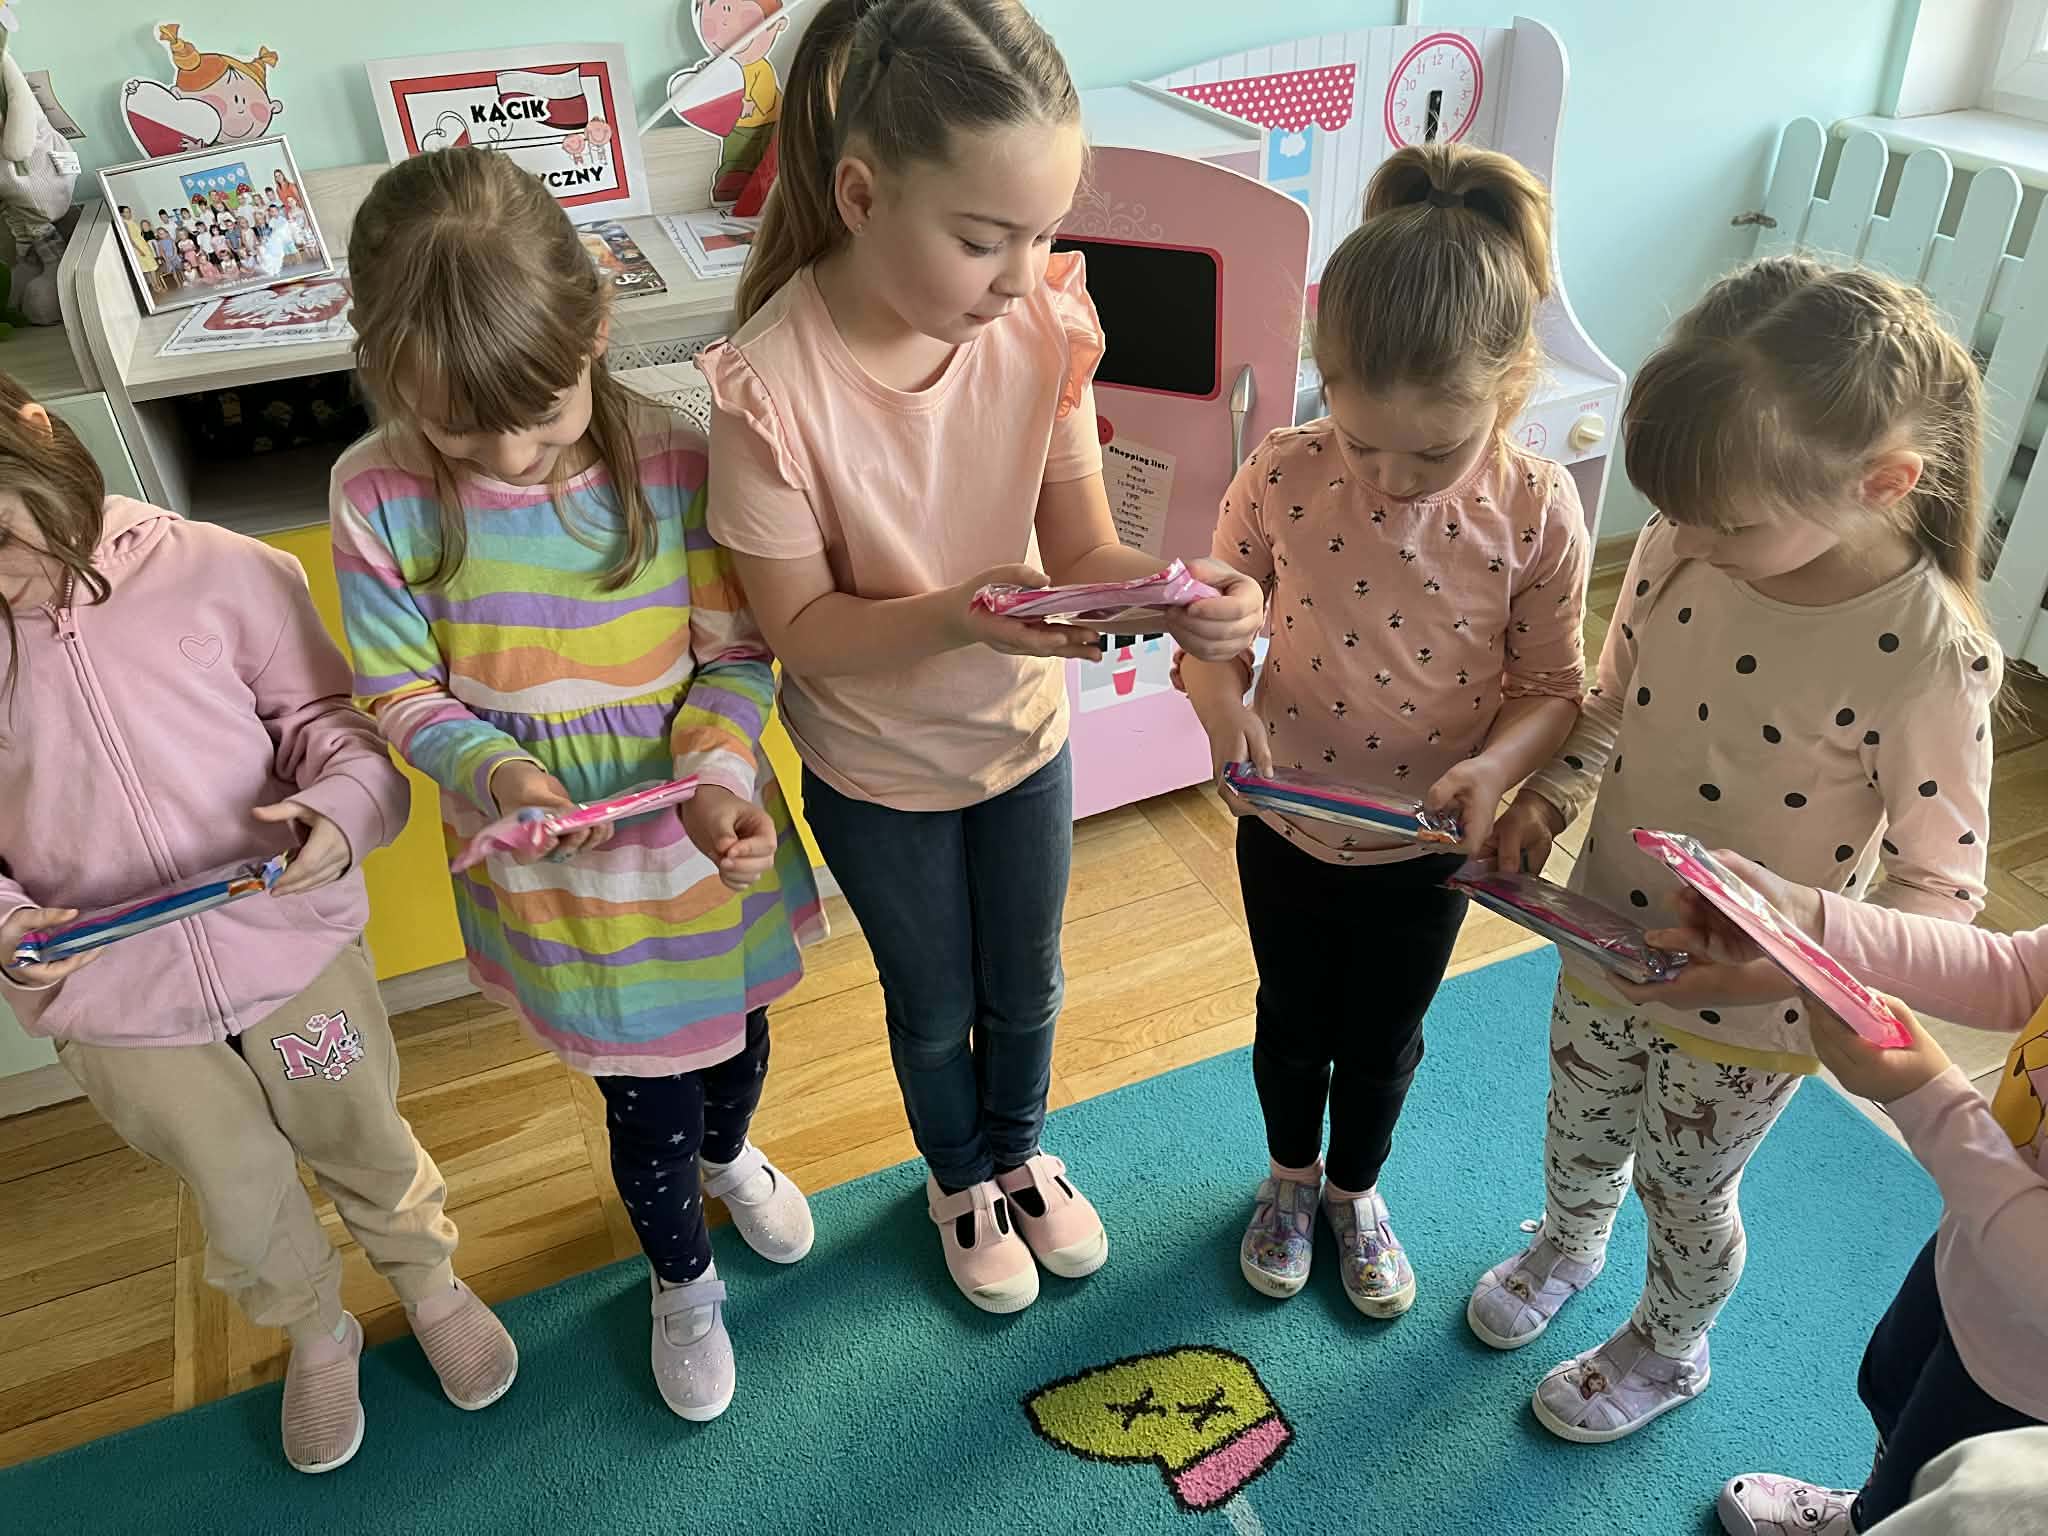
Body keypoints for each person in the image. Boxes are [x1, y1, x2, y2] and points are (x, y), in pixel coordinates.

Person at [696, 0, 1265, 1314]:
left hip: (1022, 740)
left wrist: (1182, 593)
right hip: (875, 769)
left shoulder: (1040, 326)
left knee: (1028, 983)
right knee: (931, 998)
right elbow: (803, 635)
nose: (1019, 275)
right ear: (860, 196)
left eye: (1043, 233)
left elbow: (1082, 548)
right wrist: (958, 611)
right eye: (980, 238)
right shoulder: (768, 390)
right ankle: (957, 1178)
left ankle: (1018, 1152)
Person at [1470, 256, 2001, 1442]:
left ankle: (1669, 1344)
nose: (1691, 541)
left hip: (1759, 1009)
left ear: (1882, 483)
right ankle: (1566, 1244)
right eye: (1682, 515)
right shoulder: (1682, 543)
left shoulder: (1926, 655)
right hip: (1604, 931)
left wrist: (1779, 971)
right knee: (1576, 1128)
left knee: (1685, 1183)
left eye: (1731, 524)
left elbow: (1937, 895)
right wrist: (1549, 795)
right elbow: (1609, 700)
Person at [333, 146, 823, 1422]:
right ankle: (681, 1278)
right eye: (460, 426)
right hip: (560, 879)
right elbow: (399, 691)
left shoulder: (677, 457)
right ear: (387, 373)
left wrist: (714, 777)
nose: (508, 453)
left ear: (596, 326)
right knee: (643, 1100)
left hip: (697, 842)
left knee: (736, 1046)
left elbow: (737, 652)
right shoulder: (375, 493)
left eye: (542, 411)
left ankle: (731, 1155)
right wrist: (497, 772)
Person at [0, 372, 516, 1475]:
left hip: (289, 946)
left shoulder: (221, 569)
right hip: (112, 1000)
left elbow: (334, 729)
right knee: (235, 1183)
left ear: (35, 436)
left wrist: (339, 815)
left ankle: (428, 1283)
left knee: (358, 1129)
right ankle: (315, 1330)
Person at [1180, 141, 1588, 1317]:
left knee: (1381, 1039)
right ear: (1325, 376)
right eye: (1361, 442)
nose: (1392, 478)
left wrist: (1495, 769)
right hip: (1285, 820)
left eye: (1433, 450)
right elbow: (1207, 628)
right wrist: (1222, 709)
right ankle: (1286, 1178)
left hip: (1425, 842)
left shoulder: (1535, 509)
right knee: (1288, 1020)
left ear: (1509, 389)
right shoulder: (1282, 472)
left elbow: (1552, 686)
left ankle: (1355, 1190)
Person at [1599, 853, 2045, 1534]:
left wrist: (1925, 1098)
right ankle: (1867, 1511)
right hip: (1973, 1246)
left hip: (2027, 1390)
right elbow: (2016, 970)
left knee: (1939, 1496)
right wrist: (1803, 918)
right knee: (1894, 1392)